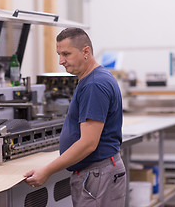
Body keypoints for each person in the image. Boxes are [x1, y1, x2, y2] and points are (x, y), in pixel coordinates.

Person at [24, 27, 126, 206]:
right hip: (98, 173)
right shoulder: (91, 78)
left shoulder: (94, 84)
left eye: (66, 54)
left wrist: (47, 171)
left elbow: (88, 143)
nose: (61, 61)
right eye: (59, 54)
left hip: (98, 176)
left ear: (86, 51)